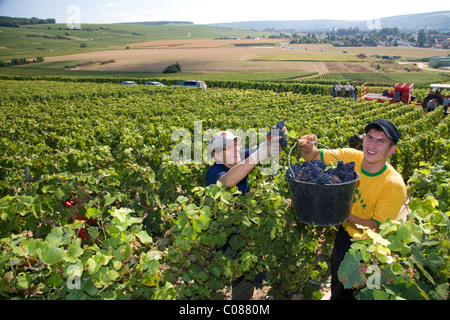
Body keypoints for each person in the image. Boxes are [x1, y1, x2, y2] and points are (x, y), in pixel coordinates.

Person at [297, 119, 407, 300]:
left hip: (369, 249)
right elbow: (314, 157)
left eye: (381, 141)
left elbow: (378, 227)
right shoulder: (352, 158)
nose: (372, 145)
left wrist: (342, 214)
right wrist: (307, 148)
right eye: (369, 138)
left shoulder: (393, 184)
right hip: (345, 236)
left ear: (391, 149)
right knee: (337, 288)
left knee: (357, 295)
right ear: (363, 140)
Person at [205, 129, 281, 299]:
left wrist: (275, 138)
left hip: (242, 232)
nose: (235, 149)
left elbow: (268, 149)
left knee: (244, 275)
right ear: (215, 155)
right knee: (216, 276)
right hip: (220, 235)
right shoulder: (213, 172)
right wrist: (257, 155)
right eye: (228, 148)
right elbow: (227, 181)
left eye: (236, 144)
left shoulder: (240, 156)